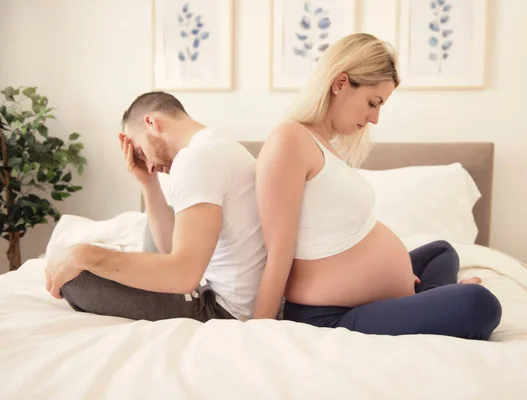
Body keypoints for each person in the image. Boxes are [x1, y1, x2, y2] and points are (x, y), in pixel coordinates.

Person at [253, 33, 502, 340]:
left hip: (363, 300)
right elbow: (278, 251)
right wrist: (258, 333)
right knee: (479, 304)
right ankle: (430, 302)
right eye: (373, 103)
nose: (375, 118)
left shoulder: (325, 147)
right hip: (329, 315)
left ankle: (419, 301)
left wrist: (390, 275)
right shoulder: (290, 139)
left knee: (442, 251)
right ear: (340, 83)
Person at [44, 91, 267, 322]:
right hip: (227, 300)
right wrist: (148, 184)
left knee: (76, 279)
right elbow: (170, 250)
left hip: (220, 310)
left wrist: (85, 254)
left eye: (140, 153)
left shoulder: (196, 160)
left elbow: (183, 274)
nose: (149, 166)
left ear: (151, 122)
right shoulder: (220, 146)